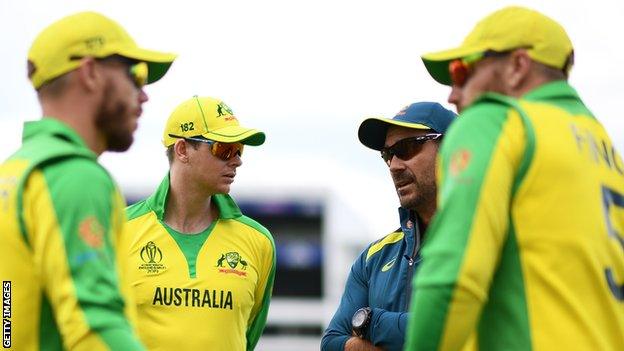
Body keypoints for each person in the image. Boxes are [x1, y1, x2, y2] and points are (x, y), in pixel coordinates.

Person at [405, 6, 624, 351]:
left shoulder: (495, 121)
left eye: (463, 72)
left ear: (518, 67)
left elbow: (453, 279)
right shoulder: (605, 149)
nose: (452, 95)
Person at [0, 11, 176, 350]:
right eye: (135, 76)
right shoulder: (73, 175)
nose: (144, 96)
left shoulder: (14, 172)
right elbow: (94, 324)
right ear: (90, 72)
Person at [122, 96, 276, 350]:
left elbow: (247, 336)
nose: (236, 160)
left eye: (239, 149)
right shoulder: (121, 230)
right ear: (182, 150)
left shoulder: (259, 242)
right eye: (223, 148)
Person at [321, 102, 457, 351]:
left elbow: (457, 330)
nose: (394, 165)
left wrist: (372, 321)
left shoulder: (487, 241)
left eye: (407, 148)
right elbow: (331, 342)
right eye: (387, 154)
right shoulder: (373, 257)